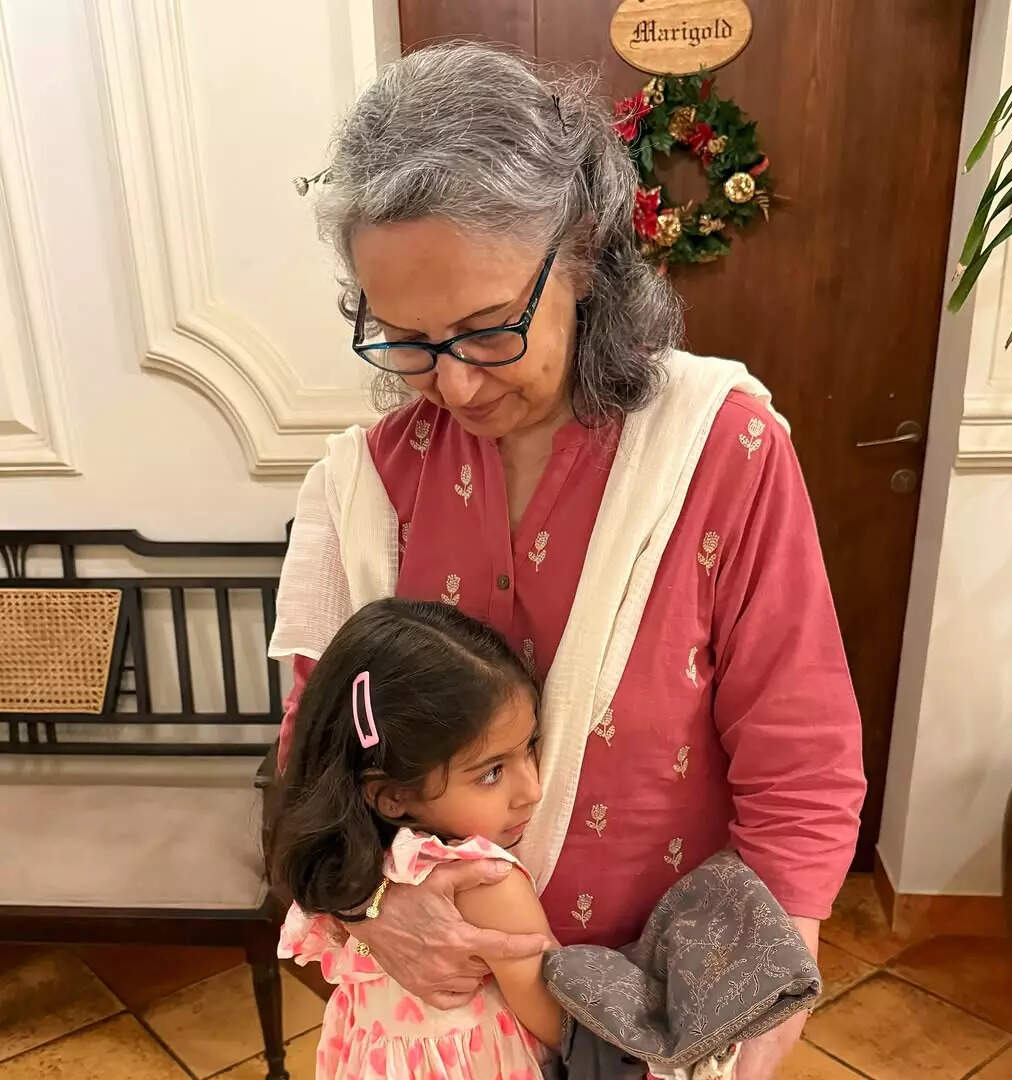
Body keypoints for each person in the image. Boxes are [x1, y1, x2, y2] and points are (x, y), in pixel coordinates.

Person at [270, 41, 866, 1080]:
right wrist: (369, 908)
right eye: (404, 340)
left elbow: (800, 759)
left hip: (657, 1014)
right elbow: (312, 759)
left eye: (488, 330)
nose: (450, 387)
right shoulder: (358, 489)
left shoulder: (720, 449)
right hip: (442, 1035)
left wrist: (757, 1018)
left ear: (582, 257)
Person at [271, 597, 560, 1079]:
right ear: (392, 795)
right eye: (491, 773)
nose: (530, 790)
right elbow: (557, 1020)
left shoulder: (348, 870)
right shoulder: (486, 881)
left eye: (529, 748)